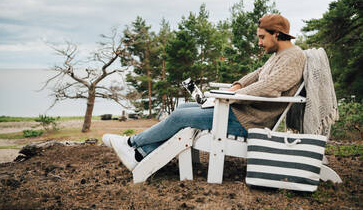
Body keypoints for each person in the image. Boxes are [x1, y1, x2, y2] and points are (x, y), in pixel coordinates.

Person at [102, 14, 306, 171]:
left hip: (252, 121)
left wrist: (232, 97)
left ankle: (131, 143)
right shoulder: (281, 54)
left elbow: (270, 87)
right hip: (243, 112)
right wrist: (235, 87)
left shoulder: (294, 57)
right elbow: (258, 74)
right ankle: (140, 154)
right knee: (183, 107)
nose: (259, 42)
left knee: (182, 116)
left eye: (262, 37)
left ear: (277, 34)